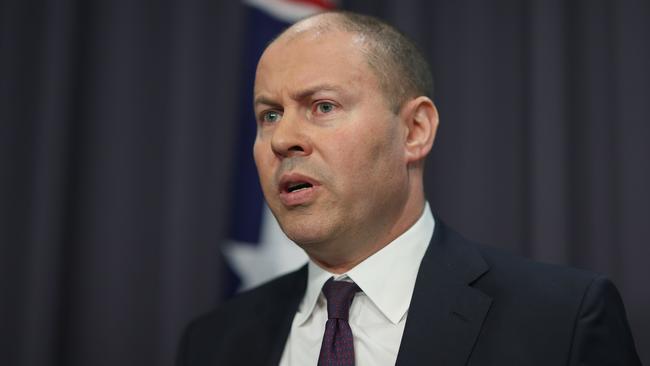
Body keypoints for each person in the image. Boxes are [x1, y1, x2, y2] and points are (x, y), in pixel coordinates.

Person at [177, 11, 641, 366]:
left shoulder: (561, 322)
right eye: (269, 115)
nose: (282, 139)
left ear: (415, 130)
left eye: (322, 106)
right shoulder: (212, 342)